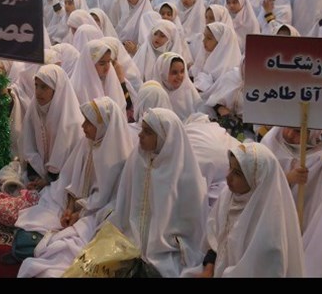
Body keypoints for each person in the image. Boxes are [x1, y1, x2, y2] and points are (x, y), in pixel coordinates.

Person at [16, 97, 135, 278]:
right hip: (78, 208)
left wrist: (80, 215)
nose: (83, 126)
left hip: (97, 215)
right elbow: (71, 180)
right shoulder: (86, 143)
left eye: (89, 122)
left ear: (103, 126)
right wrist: (70, 208)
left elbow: (110, 203)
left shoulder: (119, 159)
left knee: (64, 248)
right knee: (36, 226)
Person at [109, 108, 208, 277]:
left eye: (148, 132)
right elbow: (125, 201)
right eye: (142, 130)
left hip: (165, 249)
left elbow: (192, 226)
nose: (140, 135)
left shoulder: (184, 173)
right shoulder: (137, 158)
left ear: (164, 137)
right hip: (131, 239)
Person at [191, 143, 305, 277]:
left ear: (257, 180)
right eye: (230, 167)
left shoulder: (269, 228)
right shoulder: (228, 196)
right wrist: (208, 269)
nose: (228, 176)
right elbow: (215, 240)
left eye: (238, 173)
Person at [261, 127, 322, 277]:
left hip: (310, 223)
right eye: (288, 127)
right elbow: (256, 185)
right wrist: (286, 178)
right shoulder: (271, 141)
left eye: (298, 131)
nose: (290, 134)